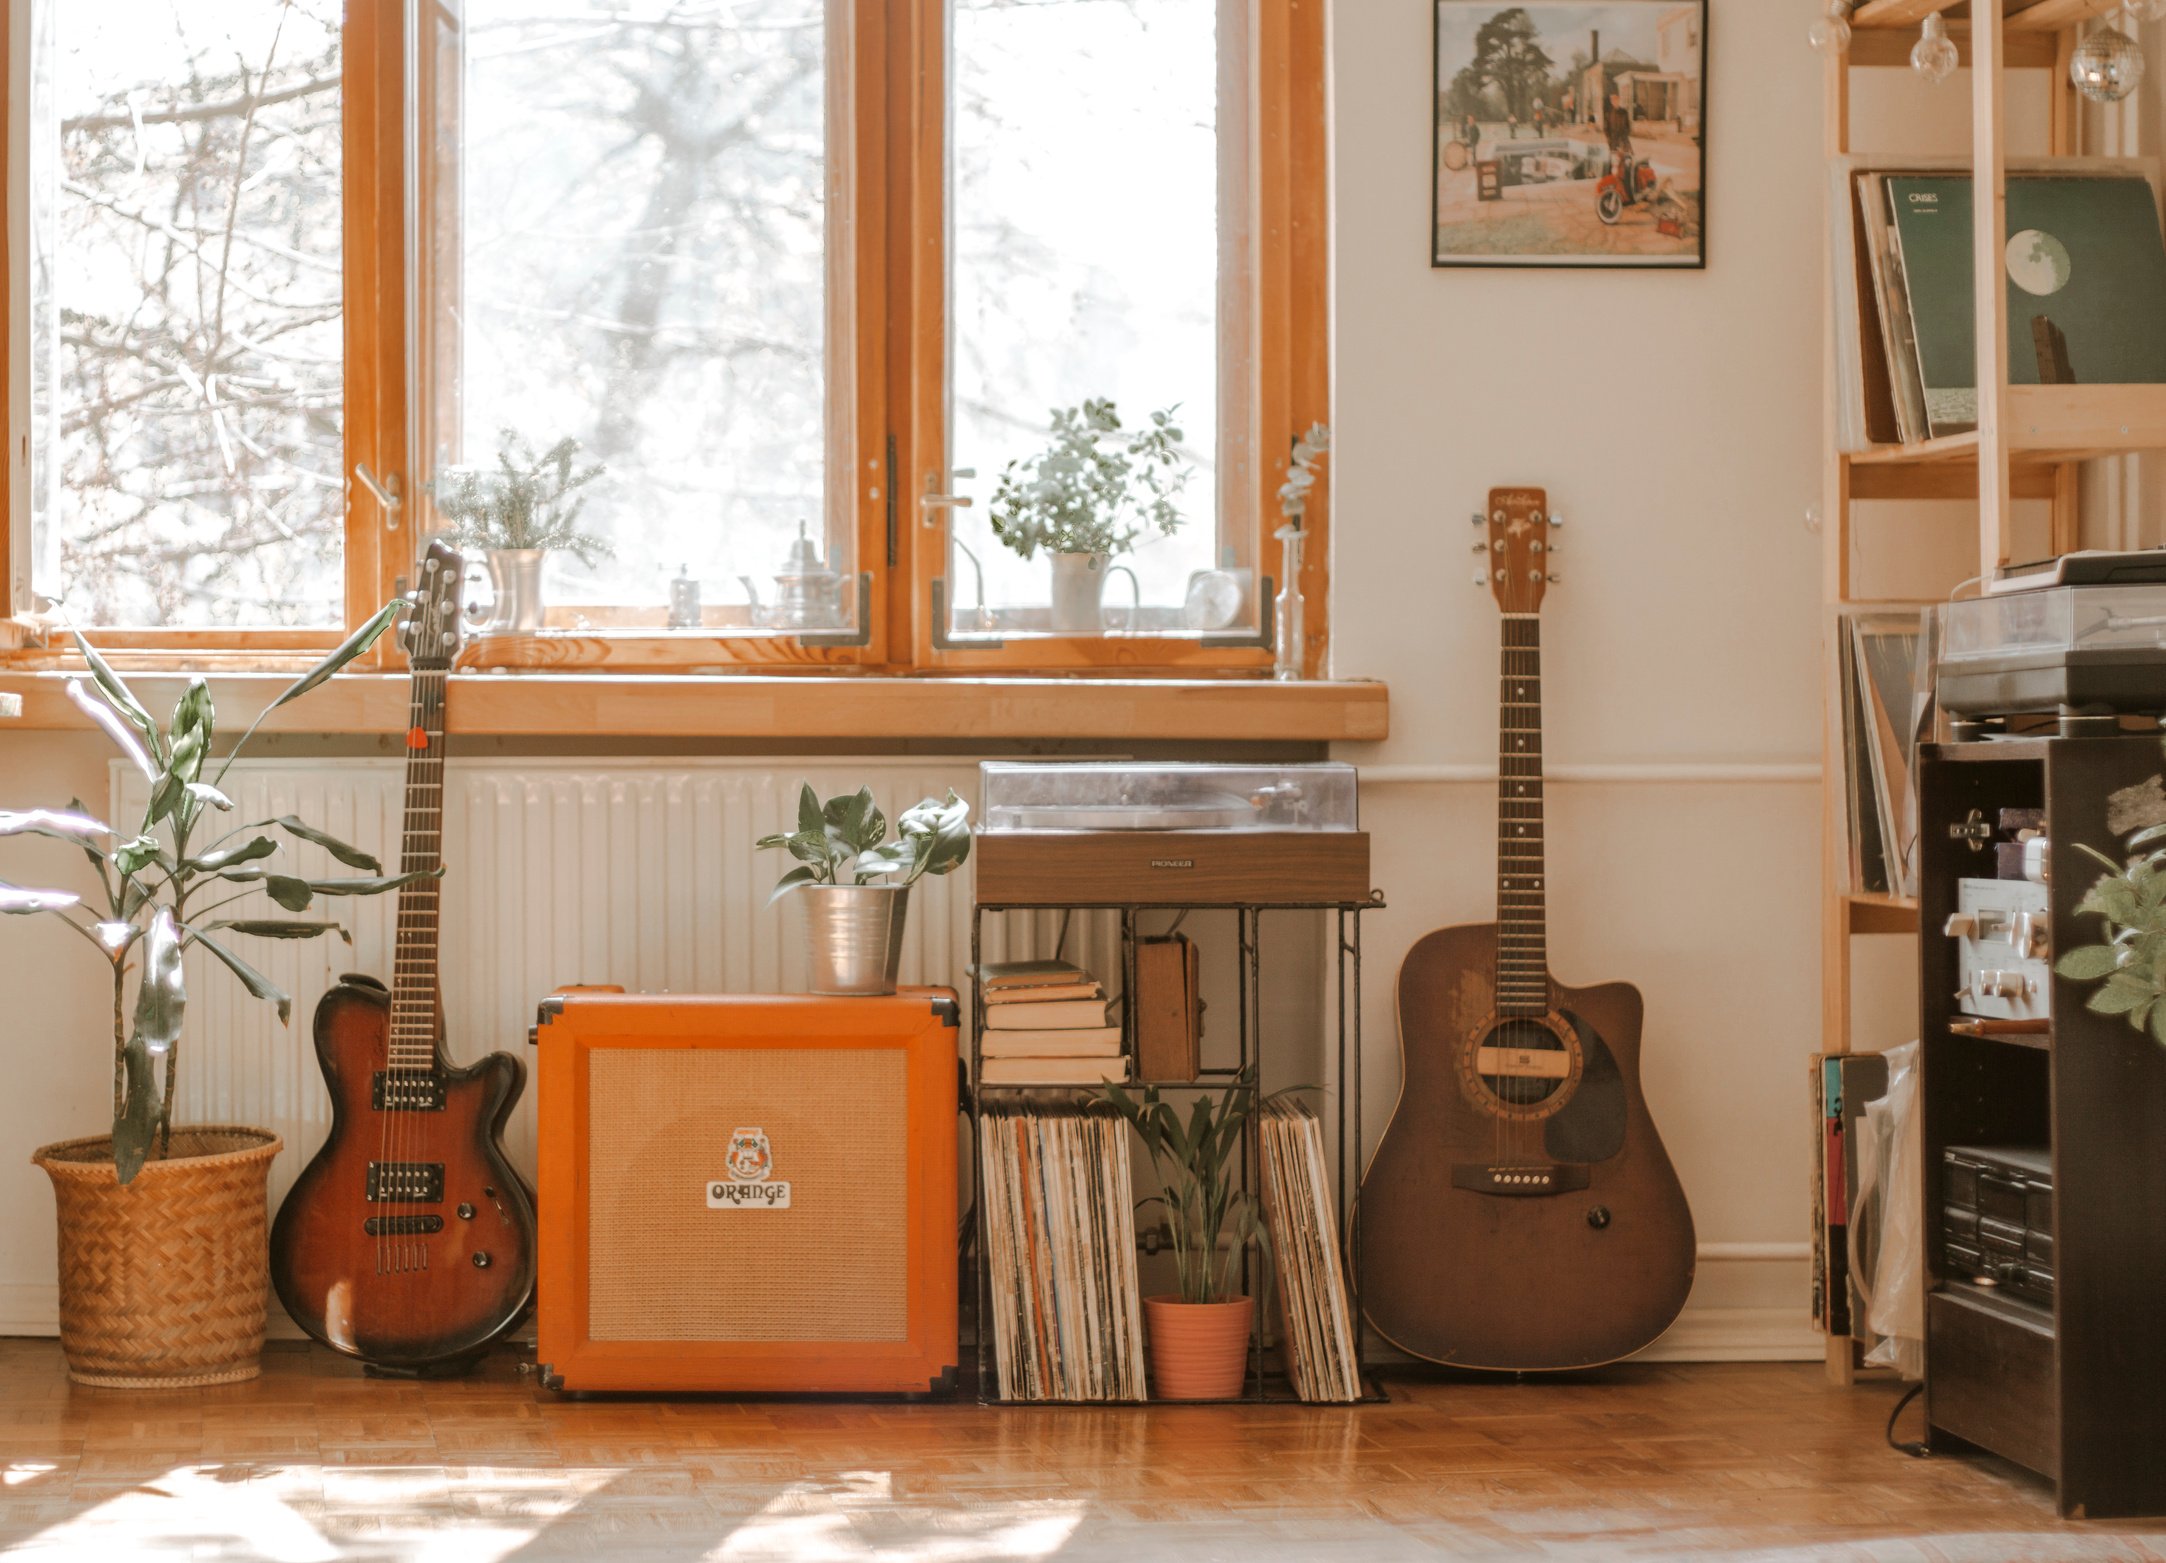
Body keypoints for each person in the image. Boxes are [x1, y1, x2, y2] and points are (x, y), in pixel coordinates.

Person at [1604, 88, 1636, 204]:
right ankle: (1611, 194)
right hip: (1613, 145)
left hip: (1624, 144)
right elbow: (1606, 130)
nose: (1615, 101)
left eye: (1616, 99)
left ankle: (1627, 196)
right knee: (1613, 170)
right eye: (1613, 99)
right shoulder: (1608, 114)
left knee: (1627, 168)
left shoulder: (1624, 112)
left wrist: (1624, 142)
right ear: (1611, 101)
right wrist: (1611, 143)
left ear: (1619, 99)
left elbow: (1628, 128)